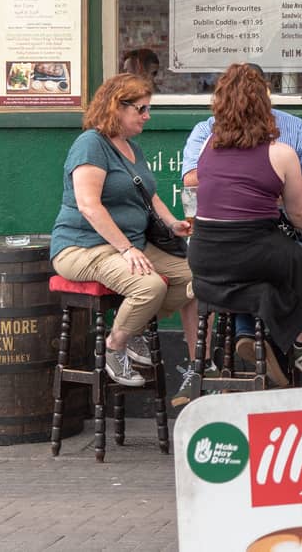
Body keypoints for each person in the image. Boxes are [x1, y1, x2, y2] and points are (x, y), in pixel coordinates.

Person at [181, 62, 302, 378]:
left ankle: (249, 334)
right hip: (259, 248)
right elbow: (297, 213)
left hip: (205, 255)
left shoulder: (208, 148)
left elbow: (197, 184)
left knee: (260, 272)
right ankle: (274, 337)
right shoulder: (280, 152)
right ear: (265, 101)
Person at [49, 73, 196, 389]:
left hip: (132, 243)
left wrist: (173, 224)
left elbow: (151, 196)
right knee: (149, 287)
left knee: (195, 276)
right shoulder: (90, 144)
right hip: (83, 247)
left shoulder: (132, 148)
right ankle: (114, 345)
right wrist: (126, 250)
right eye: (141, 109)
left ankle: (134, 329)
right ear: (117, 107)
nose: (147, 116)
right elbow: (89, 206)